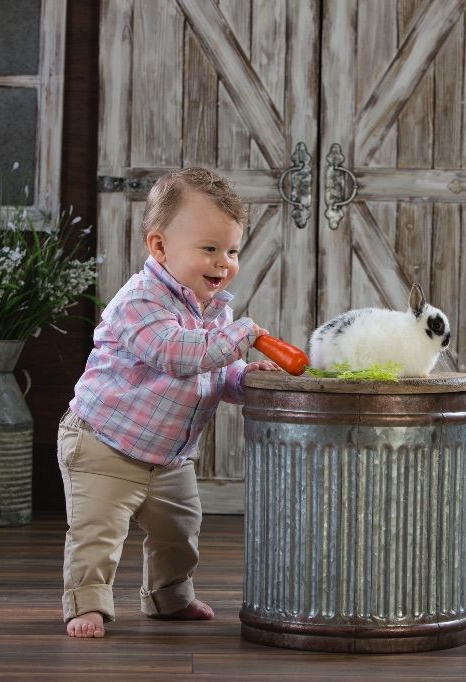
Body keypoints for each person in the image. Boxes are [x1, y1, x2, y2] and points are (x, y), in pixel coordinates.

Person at [57, 167, 278, 638]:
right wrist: (243, 337)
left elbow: (213, 371)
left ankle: (168, 597)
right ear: (160, 247)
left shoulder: (215, 309)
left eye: (233, 250)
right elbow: (177, 356)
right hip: (104, 444)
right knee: (97, 534)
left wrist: (243, 379)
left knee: (180, 533)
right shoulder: (138, 301)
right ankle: (87, 604)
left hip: (169, 456)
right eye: (210, 249)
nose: (224, 262)